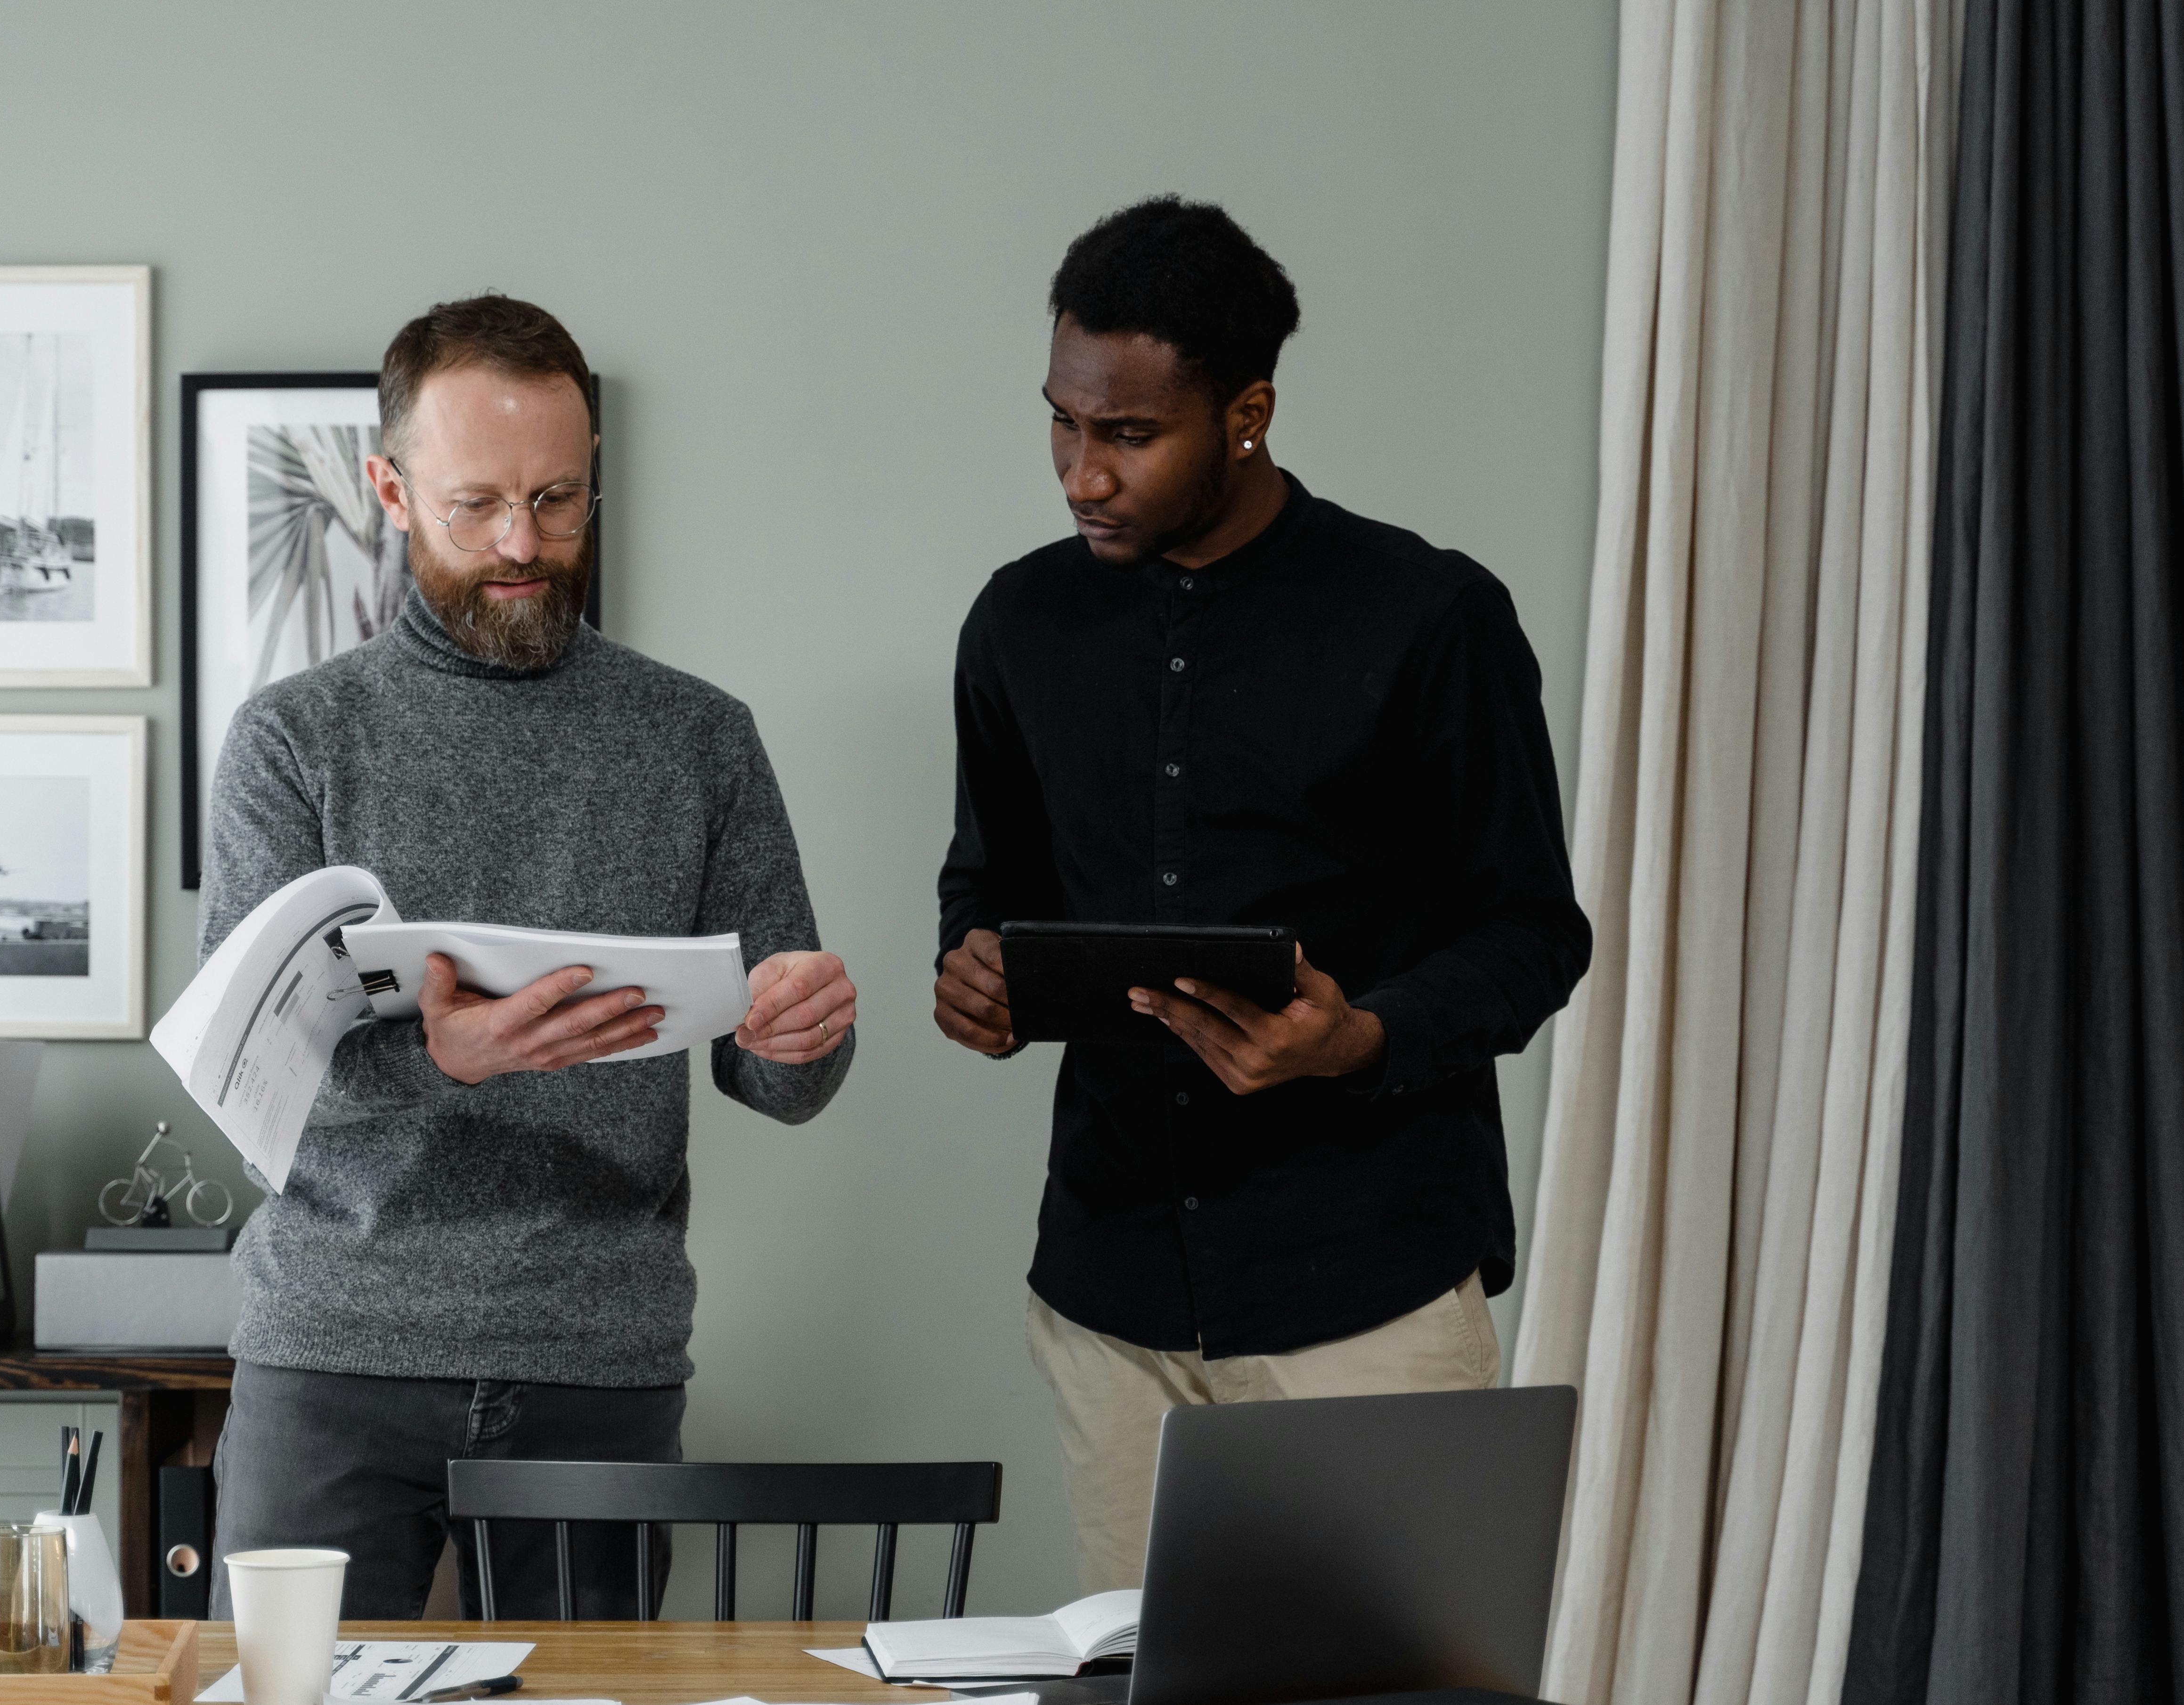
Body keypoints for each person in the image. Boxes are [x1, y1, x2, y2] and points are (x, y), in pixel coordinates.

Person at [933, 198, 1591, 1592]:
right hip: (1110, 1293)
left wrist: (1357, 1036)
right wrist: (973, 972)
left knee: (1396, 1693)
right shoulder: (1016, 624)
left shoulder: (1429, 616)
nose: (1080, 473)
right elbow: (988, 882)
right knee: (1136, 1688)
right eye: (1061, 421)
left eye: (1127, 435)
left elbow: (1536, 931)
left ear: (1245, 414)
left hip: (1368, 1285)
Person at [204, 293, 859, 1619]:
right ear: (391, 487)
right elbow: (240, 1075)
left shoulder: (697, 737)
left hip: (596, 1362)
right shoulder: (292, 739)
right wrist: (437, 1061)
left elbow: (777, 1078)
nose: (524, 545)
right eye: (478, 505)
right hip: (333, 1353)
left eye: (559, 501)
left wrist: (804, 1032)